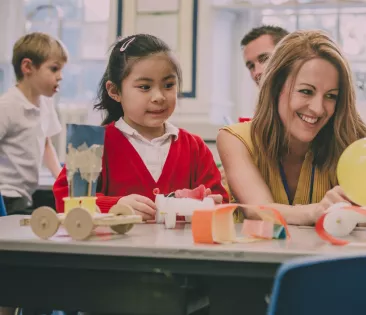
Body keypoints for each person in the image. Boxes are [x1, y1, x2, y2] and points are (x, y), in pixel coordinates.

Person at [53, 34, 228, 220]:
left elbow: (219, 200)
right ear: (115, 91)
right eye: (145, 87)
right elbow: (66, 200)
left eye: (168, 85)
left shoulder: (194, 147)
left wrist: (213, 204)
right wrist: (114, 206)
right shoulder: (90, 145)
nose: (159, 96)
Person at [219, 30, 366, 225]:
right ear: (275, 87)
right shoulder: (235, 140)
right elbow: (258, 210)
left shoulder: (354, 144)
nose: (317, 109)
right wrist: (317, 211)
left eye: (331, 96)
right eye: (306, 91)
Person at [0, 32, 65, 215]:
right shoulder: (7, 106)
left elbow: (46, 143)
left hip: (24, 195)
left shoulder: (45, 102)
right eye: (54, 69)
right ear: (28, 67)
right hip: (6, 197)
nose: (60, 76)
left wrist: (62, 180)